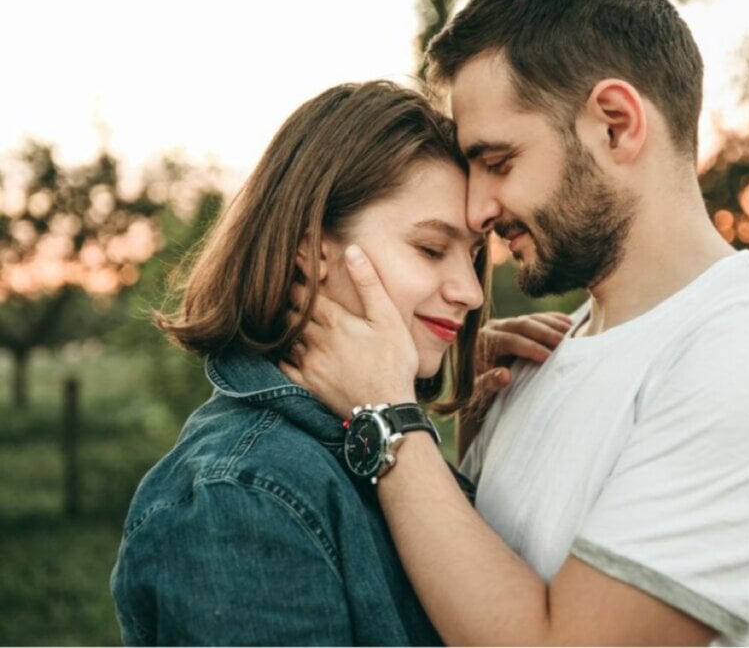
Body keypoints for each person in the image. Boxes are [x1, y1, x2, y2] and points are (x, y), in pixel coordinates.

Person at [285, 0, 749, 645]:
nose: (478, 210)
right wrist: (458, 437)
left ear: (615, 126)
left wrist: (389, 422)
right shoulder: (537, 363)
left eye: (498, 161)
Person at [110, 80, 566, 646]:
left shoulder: (362, 439)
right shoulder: (240, 496)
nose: (472, 293)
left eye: (475, 256)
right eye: (429, 249)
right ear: (310, 251)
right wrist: (392, 416)